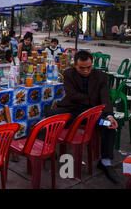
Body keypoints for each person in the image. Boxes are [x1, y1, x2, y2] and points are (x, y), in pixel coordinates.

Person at [45, 51, 119, 184]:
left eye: (89, 67)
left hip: (93, 116)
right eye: (81, 68)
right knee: (50, 117)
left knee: (109, 125)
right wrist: (92, 101)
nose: (86, 71)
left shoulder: (101, 76)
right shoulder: (68, 74)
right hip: (72, 111)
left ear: (92, 64)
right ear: (75, 65)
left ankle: (106, 162)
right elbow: (72, 95)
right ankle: (48, 149)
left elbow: (105, 97)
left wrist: (109, 115)